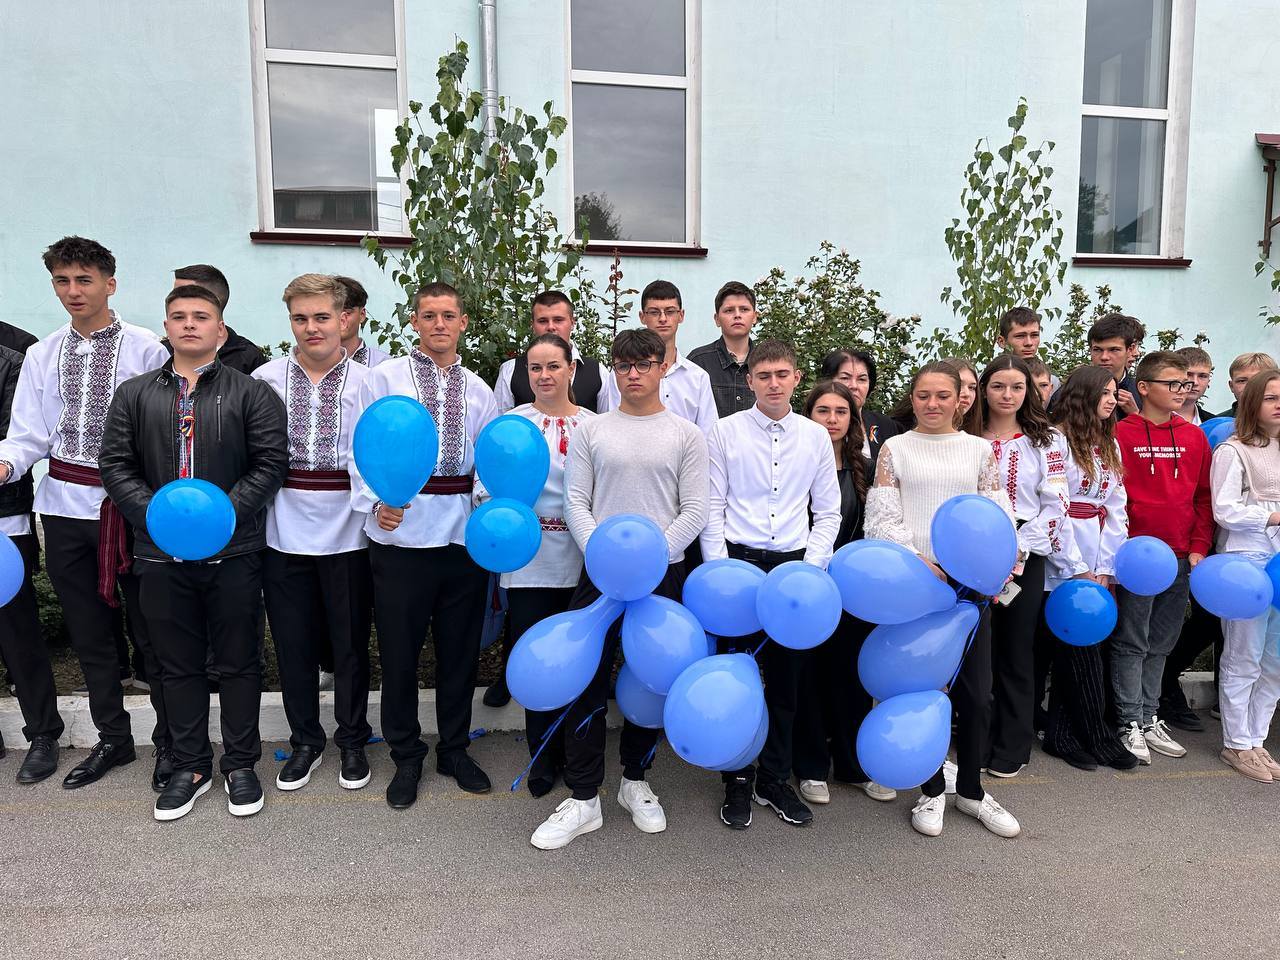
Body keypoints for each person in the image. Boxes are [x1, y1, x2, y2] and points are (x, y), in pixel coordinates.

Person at [100, 284, 287, 821]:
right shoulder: (134, 394)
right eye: (178, 316)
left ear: (220, 330)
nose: (189, 324)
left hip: (234, 551)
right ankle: (190, 765)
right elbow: (115, 465)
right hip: (160, 554)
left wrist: (217, 519)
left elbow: (270, 463)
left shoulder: (252, 394)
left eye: (200, 316)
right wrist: (161, 521)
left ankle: (241, 764)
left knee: (239, 662)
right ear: (166, 328)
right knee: (175, 665)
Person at [0, 236, 169, 791]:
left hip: (132, 509)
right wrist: (6, 464)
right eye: (62, 281)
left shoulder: (148, 350)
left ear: (109, 284)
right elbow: (27, 434)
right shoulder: (42, 354)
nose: (73, 291)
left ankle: (170, 741)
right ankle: (113, 739)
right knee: (90, 634)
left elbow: (163, 432)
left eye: (84, 280)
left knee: (152, 629)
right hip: (64, 510)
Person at [530, 328, 708, 850]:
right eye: (624, 365)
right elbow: (576, 502)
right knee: (586, 679)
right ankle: (584, 796)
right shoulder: (593, 430)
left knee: (652, 679)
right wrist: (603, 555)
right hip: (601, 574)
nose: (634, 373)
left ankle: (636, 780)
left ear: (661, 368)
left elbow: (694, 509)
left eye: (644, 364)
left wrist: (651, 559)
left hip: (662, 574)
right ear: (613, 370)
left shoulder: (686, 435)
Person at [353, 282, 498, 808]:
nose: (439, 324)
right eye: (429, 315)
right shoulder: (383, 378)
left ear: (463, 323)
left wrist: (486, 506)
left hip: (460, 538)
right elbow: (358, 446)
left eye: (449, 315)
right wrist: (375, 502)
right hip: (401, 535)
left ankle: (454, 749)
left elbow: (488, 459)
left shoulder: (478, 389)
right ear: (414, 321)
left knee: (458, 652)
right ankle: (406, 754)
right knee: (399, 653)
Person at [866, 361, 1021, 839]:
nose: (932, 404)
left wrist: (995, 567)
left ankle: (972, 790)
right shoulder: (895, 449)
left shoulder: (979, 450)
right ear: (912, 399)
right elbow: (882, 520)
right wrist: (918, 560)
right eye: (923, 395)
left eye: (942, 395)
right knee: (922, 691)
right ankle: (931, 788)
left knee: (977, 694)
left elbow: (998, 514)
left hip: (969, 590)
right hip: (915, 586)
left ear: (960, 400)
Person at [701, 340, 841, 829]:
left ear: (797, 378)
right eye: (764, 376)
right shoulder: (724, 432)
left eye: (782, 374)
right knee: (736, 681)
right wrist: (720, 573)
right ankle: (737, 778)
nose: (774, 383)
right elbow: (712, 508)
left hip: (794, 572)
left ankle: (775, 778)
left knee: (787, 683)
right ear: (750, 381)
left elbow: (828, 512)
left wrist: (811, 569)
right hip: (738, 567)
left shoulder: (815, 436)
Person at [253, 275, 373, 793]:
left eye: (321, 317)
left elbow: (379, 455)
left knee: (349, 645)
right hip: (282, 531)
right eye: (300, 318)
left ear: (343, 319)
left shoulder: (370, 383)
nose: (311, 328)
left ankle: (352, 738)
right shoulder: (265, 380)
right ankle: (306, 740)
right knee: (293, 645)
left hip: (350, 532)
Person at [481, 333, 594, 797]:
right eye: (535, 368)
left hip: (582, 562)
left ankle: (577, 751)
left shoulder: (595, 426)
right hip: (528, 563)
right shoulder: (511, 424)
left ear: (571, 369)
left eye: (553, 366)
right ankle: (542, 755)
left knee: (578, 661)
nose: (544, 376)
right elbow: (485, 484)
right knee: (536, 660)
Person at [970, 355, 1077, 778]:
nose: (1007, 395)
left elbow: (1058, 504)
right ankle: (976, 739)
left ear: (1029, 392)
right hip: (971, 552)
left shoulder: (1047, 441)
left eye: (1017, 387)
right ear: (984, 389)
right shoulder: (967, 437)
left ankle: (1012, 744)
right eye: (998, 386)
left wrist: (1017, 547)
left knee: (1016, 649)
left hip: (1024, 554)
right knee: (977, 650)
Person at [791, 380, 897, 807]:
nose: (832, 419)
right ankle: (811, 767)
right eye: (823, 411)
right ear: (808, 416)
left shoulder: (866, 470)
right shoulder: (793, 466)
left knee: (852, 678)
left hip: (854, 590)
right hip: (807, 586)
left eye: (841, 412)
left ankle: (853, 766)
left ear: (853, 420)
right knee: (809, 676)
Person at [1111, 351, 1213, 764]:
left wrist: (1199, 546)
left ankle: (1149, 716)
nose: (1182, 390)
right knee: (1132, 640)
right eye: (1172, 383)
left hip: (1181, 556)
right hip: (1137, 558)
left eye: (1185, 384)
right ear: (1144, 387)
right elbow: (1112, 497)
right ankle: (1128, 722)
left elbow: (1204, 498)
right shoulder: (1120, 433)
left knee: (1161, 642)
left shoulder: (1193, 436)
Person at [1041, 366, 1138, 771]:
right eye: (1105, 393)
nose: (1113, 400)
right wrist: (1076, 567)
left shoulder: (1108, 444)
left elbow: (1116, 507)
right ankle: (1098, 736)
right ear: (1083, 394)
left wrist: (1104, 567)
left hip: (1096, 558)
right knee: (1077, 651)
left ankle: (1063, 735)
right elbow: (1055, 508)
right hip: (1062, 559)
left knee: (1085, 646)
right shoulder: (1055, 441)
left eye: (1115, 393)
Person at [1209, 369, 1280, 782]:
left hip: (1279, 562)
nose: (1278, 405)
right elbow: (1225, 510)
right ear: (1252, 402)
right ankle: (1236, 743)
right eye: (1270, 397)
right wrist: (1271, 516)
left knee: (1275, 659)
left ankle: (1257, 738)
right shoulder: (1233, 450)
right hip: (1247, 561)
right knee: (1244, 654)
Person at [0, 342, 63, 784]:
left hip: (3, 521)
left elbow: (18, 438)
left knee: (16, 633)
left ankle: (43, 733)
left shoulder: (10, 364)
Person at [598, 280, 717, 432]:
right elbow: (611, 424)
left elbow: (707, 434)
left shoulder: (698, 378)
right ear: (642, 316)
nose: (662, 319)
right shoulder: (623, 374)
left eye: (670, 311)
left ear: (681, 315)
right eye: (654, 312)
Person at [493, 291, 604, 415]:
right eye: (543, 321)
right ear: (532, 325)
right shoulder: (510, 370)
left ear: (572, 323)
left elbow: (609, 423)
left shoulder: (598, 372)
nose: (551, 327)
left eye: (558, 320)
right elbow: (500, 423)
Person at [170, 265, 266, 375]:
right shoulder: (164, 351)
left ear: (214, 300)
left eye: (184, 294)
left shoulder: (248, 358)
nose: (174, 299)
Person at [687, 280, 758, 418]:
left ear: (754, 317)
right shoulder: (699, 362)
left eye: (744, 309)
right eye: (729, 310)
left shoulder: (766, 360)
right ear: (717, 319)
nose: (737, 315)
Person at [817, 348, 900, 463]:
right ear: (828, 381)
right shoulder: (811, 425)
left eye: (862, 379)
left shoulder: (885, 425)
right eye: (845, 378)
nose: (854, 386)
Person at [1088, 313, 1146, 415]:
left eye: (1114, 350)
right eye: (1097, 349)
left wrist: (1135, 415)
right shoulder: (1072, 391)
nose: (1104, 357)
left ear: (1130, 350)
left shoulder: (1144, 394)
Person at [996, 306, 1059, 393]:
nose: (1029, 343)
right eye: (1020, 336)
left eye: (1034, 335)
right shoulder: (988, 380)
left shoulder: (1051, 382)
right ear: (1002, 341)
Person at [334, 275, 390, 369]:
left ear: (362, 315)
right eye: (331, 314)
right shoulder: (310, 364)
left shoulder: (383, 365)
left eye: (347, 313)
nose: (340, 319)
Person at [1215, 352, 1277, 419]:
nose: (1250, 386)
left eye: (1258, 380)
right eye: (1242, 381)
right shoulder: (1217, 423)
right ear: (1231, 386)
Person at [1173, 346, 1213, 426]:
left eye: (1202, 376)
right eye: (1188, 374)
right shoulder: (1151, 421)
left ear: (1208, 381)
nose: (1195, 382)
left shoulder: (1213, 423)